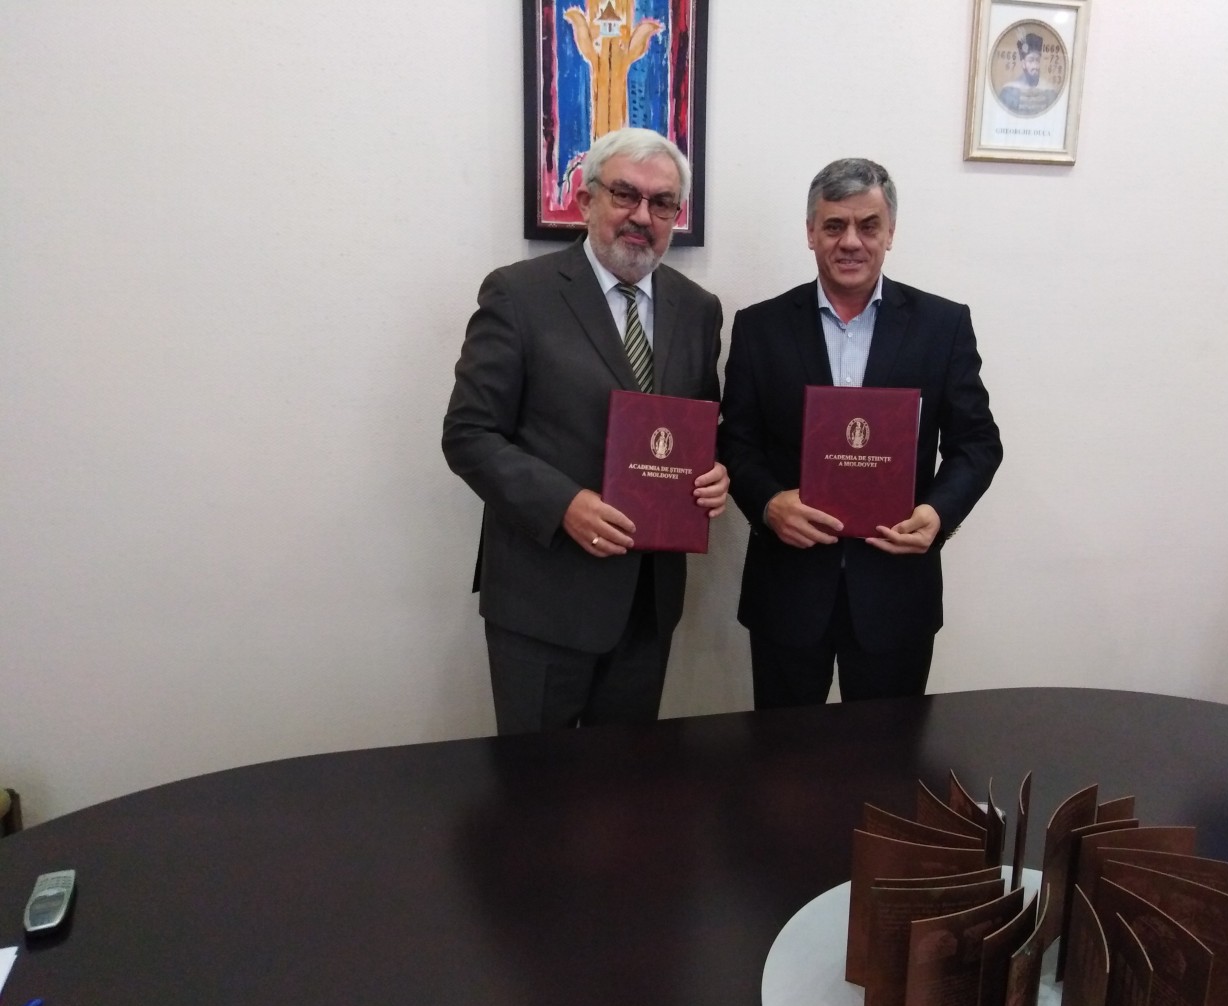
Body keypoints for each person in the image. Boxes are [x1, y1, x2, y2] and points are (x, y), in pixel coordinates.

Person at [443, 127, 728, 734]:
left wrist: (716, 473)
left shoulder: (699, 308)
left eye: (662, 203)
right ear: (585, 200)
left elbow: (701, 426)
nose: (642, 216)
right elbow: (468, 434)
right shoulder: (519, 294)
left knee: (625, 784)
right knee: (536, 785)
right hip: (543, 599)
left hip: (647, 605)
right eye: (625, 194)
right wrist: (564, 504)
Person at [717, 158, 1001, 709]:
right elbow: (736, 441)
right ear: (810, 232)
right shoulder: (759, 327)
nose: (851, 241)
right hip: (788, 589)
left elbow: (978, 443)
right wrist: (769, 503)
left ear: (890, 233)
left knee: (889, 755)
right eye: (834, 225)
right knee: (783, 755)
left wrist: (938, 513)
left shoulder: (943, 326)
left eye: (868, 226)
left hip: (897, 591)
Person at [997, 32, 1058, 117]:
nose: (1035, 66)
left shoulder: (1049, 92)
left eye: (1037, 60)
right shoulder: (1008, 92)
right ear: (1023, 64)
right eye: (1031, 60)